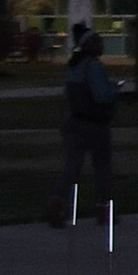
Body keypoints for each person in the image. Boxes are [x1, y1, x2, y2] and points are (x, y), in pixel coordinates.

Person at [57, 25, 120, 227]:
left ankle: (58, 207)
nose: (101, 44)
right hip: (95, 125)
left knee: (71, 167)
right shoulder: (93, 66)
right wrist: (115, 90)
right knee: (102, 168)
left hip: (73, 122)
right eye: (98, 41)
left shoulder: (74, 66)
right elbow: (101, 96)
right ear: (88, 44)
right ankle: (104, 210)